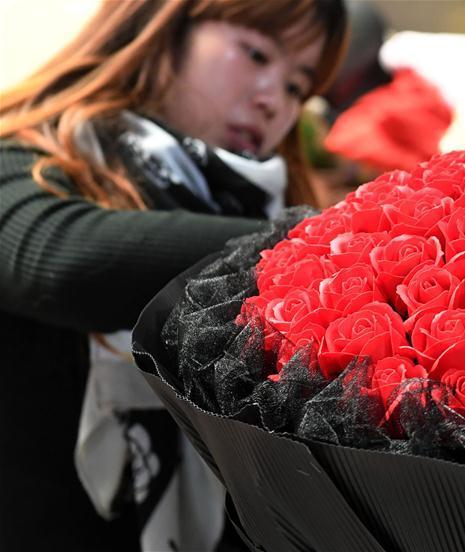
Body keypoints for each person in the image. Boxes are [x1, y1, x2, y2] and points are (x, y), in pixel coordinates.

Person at [0, 1, 346, 550]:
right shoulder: (30, 157)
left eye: (296, 88)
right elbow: (53, 256)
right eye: (256, 54)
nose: (272, 101)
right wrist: (337, 239)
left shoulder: (259, 216)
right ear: (160, 29)